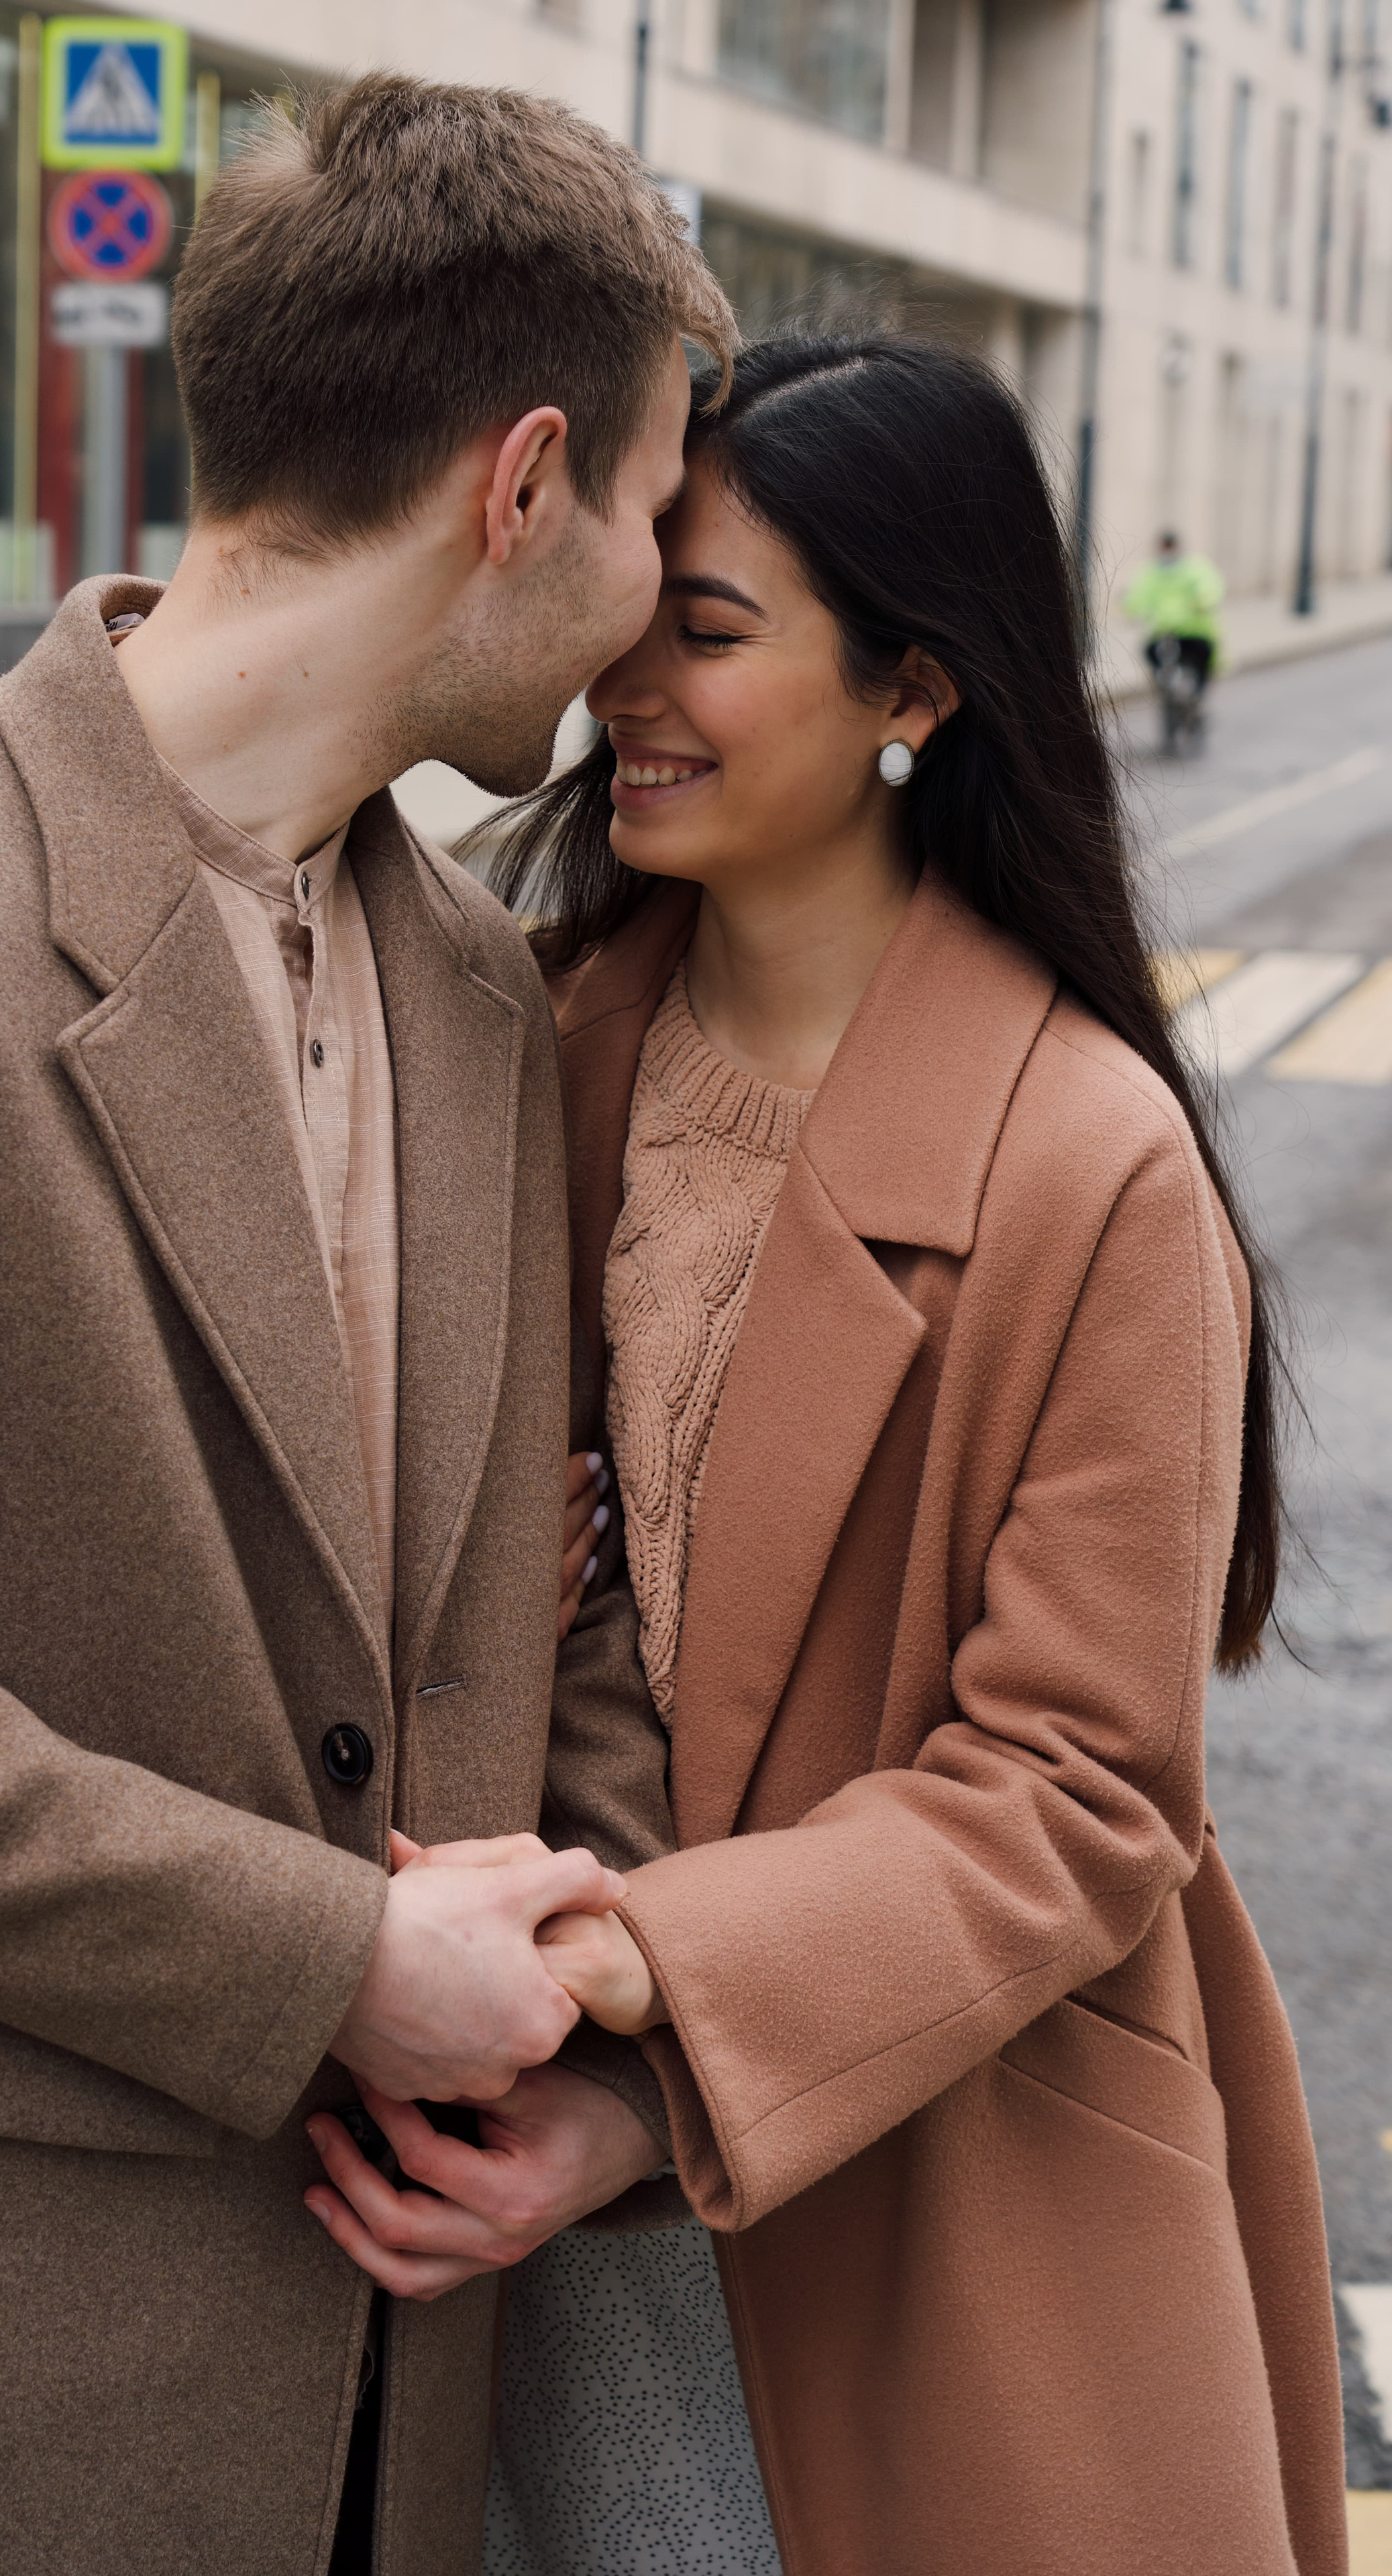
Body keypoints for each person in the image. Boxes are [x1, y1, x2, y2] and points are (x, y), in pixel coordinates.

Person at [0, 76, 735, 2576]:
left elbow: (528, 1601)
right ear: (524, 484)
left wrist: (607, 2008)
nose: (663, 581)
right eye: (658, 506)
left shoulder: (482, 988)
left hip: (389, 2390)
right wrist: (331, 1956)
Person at [301, 338, 1347, 2576]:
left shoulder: (1090, 1164)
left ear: (917, 694)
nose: (629, 692)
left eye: (713, 631)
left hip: (928, 2170)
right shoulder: (531, 1038)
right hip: (491, 2145)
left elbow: (1073, 1797)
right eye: (629, 617)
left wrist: (628, 2025)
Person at [1125, 527, 1226, 702]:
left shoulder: (1194, 568)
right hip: (1162, 632)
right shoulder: (1151, 572)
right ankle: (1162, 686)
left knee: (1204, 655)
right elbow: (1138, 595)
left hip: (1194, 630)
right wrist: (1131, 608)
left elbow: (1209, 586)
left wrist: (1204, 600)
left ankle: (1198, 695)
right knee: (1150, 652)